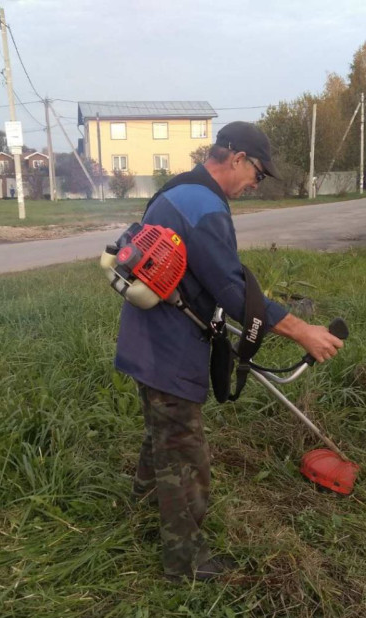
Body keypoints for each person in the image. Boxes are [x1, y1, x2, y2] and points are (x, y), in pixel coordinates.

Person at [114, 121, 344, 582]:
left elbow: (207, 276)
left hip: (146, 341)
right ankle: (185, 564)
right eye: (258, 174)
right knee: (185, 456)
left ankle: (139, 513)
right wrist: (303, 332)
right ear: (236, 158)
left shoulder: (178, 190)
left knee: (162, 431)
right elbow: (232, 290)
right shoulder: (202, 203)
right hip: (169, 348)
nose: (256, 185)